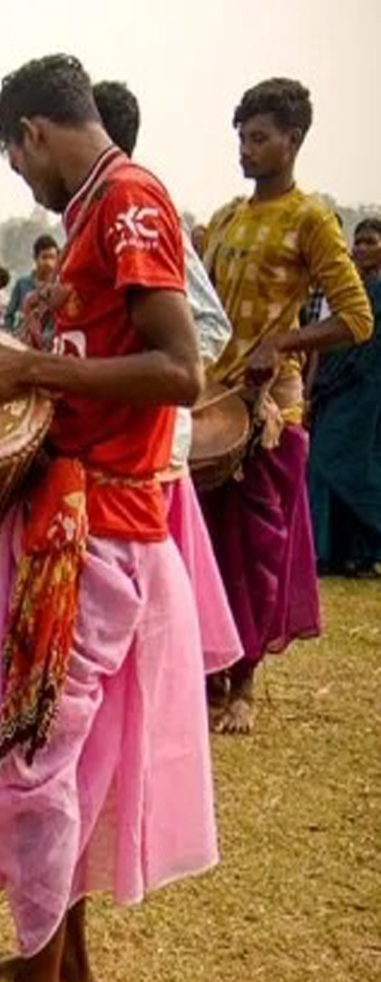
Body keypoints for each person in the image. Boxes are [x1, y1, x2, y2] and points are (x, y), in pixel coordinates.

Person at [0, 54, 214, 982]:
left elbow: (182, 369)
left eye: (16, 164)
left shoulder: (126, 203)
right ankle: (64, 957)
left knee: (30, 756)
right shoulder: (100, 208)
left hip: (99, 530)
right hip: (78, 515)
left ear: (32, 134)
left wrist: (29, 365)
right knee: (68, 753)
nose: (23, 183)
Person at [199, 78, 374, 733]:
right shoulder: (223, 220)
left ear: (292, 141)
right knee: (208, 548)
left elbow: (357, 317)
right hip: (211, 405)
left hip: (271, 414)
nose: (245, 150)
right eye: (241, 137)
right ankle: (207, 674)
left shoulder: (310, 218)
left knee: (256, 551)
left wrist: (285, 341)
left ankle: (242, 685)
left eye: (259, 137)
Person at [91, 77, 243, 678]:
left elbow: (208, 328)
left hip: (147, 438)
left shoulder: (140, 214)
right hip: (112, 438)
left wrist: (134, 369)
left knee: (144, 598)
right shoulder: (95, 214)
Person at [307, 219, 381, 575]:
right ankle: (338, 552)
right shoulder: (350, 289)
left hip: (366, 393)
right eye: (359, 242)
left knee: (342, 467)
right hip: (337, 390)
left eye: (371, 242)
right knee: (332, 469)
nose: (362, 248)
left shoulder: (375, 294)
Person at [4, 234, 59, 334]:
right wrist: (10, 333)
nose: (48, 263)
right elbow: (9, 314)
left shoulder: (59, 288)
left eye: (52, 258)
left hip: (48, 345)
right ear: (35, 258)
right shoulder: (21, 284)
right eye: (44, 257)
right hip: (21, 340)